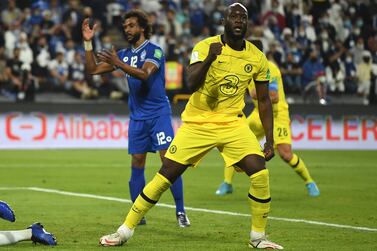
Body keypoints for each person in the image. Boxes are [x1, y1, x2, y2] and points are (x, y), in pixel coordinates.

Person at [99, 3, 283, 249]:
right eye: (234, 16)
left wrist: (269, 140)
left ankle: (258, 237)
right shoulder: (205, 47)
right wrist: (210, 59)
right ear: (224, 22)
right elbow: (191, 82)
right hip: (198, 123)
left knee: (259, 172)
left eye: (243, 17)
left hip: (232, 123)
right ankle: (125, 230)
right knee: (166, 176)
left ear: (247, 23)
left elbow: (262, 100)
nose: (239, 20)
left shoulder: (256, 57)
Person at [82, 10, 190, 227]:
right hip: (138, 118)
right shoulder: (122, 54)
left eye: (131, 25)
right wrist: (88, 44)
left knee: (169, 163)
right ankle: (138, 213)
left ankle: (180, 211)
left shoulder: (155, 51)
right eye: (125, 26)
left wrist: (118, 64)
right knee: (137, 162)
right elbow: (92, 69)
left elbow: (145, 74)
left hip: (159, 115)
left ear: (142, 27)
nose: (127, 29)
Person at [215, 43, 320, 198]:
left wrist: (256, 93)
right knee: (232, 142)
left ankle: (310, 182)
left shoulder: (269, 68)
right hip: (258, 113)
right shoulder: (245, 67)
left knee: (285, 154)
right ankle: (227, 183)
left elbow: (275, 97)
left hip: (277, 115)